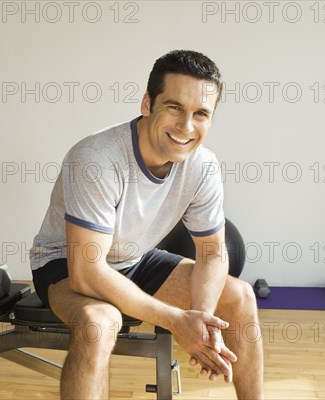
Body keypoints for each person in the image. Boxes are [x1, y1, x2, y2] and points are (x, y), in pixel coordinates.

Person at [29, 50, 264, 399]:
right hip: (65, 264)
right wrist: (175, 320)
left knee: (240, 297)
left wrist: (201, 320)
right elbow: (87, 273)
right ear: (147, 104)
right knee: (99, 324)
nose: (186, 127)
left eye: (200, 113)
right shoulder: (97, 159)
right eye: (174, 107)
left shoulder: (203, 167)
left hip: (134, 259)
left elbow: (213, 255)